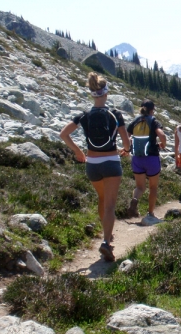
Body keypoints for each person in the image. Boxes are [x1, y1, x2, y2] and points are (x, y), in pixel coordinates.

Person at [60, 72, 130, 262]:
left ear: (92, 94)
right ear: (106, 93)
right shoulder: (115, 115)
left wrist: (78, 152)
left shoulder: (84, 115)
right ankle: (106, 242)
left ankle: (105, 232)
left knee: (101, 198)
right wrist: (125, 149)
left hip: (92, 164)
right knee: (110, 205)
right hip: (111, 163)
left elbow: (64, 134)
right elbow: (126, 141)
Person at [126, 99, 167, 219]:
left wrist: (128, 148)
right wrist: (162, 144)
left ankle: (134, 200)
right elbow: (162, 135)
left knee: (140, 187)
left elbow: (127, 136)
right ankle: (150, 213)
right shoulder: (153, 121)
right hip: (151, 158)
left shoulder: (135, 121)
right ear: (151, 110)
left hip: (137, 158)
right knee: (153, 187)